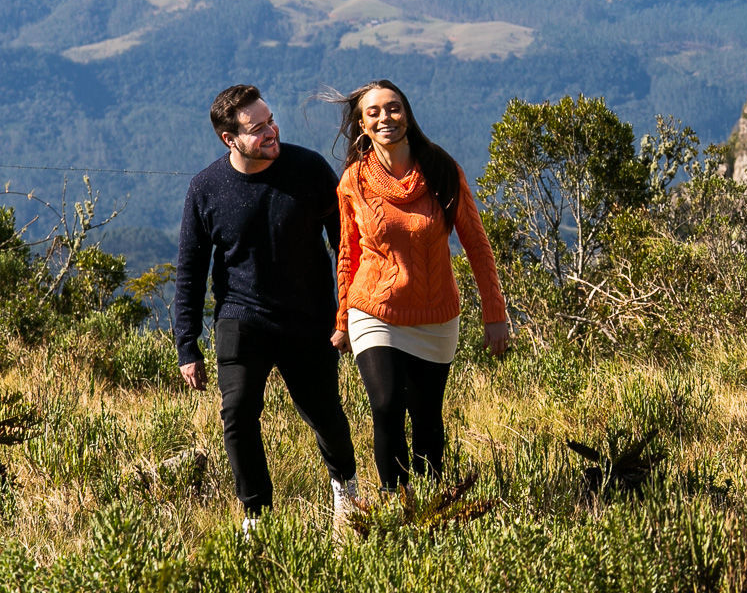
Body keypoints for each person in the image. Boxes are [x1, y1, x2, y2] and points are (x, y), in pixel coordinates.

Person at [176, 84, 360, 526]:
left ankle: (345, 492)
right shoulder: (206, 188)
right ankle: (256, 516)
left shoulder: (309, 169)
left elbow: (348, 245)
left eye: (270, 120)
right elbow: (190, 269)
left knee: (325, 414)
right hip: (241, 318)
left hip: (310, 319)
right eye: (258, 128)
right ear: (230, 139)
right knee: (237, 414)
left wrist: (347, 314)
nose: (271, 131)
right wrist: (187, 345)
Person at [329, 79, 510, 491]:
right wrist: (342, 318)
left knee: (427, 417)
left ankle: (430, 507)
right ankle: (398, 502)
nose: (384, 118)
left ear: (407, 114)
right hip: (373, 310)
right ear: (361, 124)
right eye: (372, 112)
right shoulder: (354, 180)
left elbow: (477, 246)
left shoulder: (442, 170)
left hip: (435, 315)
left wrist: (494, 314)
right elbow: (347, 254)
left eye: (392, 108)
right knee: (387, 405)